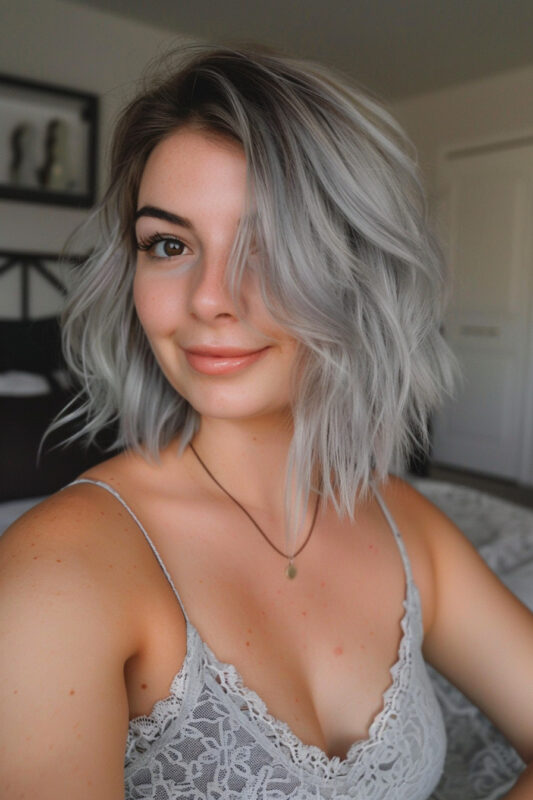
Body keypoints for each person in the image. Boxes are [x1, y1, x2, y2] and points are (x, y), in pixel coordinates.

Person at [1, 44, 532, 800]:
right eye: (170, 245)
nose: (209, 298)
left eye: (267, 243)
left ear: (356, 266)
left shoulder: (402, 519)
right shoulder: (58, 574)